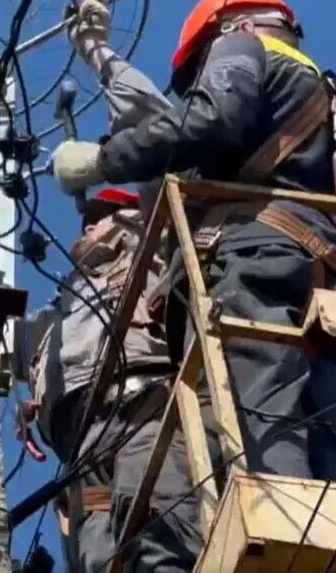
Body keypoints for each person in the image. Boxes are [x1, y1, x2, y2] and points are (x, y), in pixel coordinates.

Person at [50, 0, 336, 483]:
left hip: (259, 258)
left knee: (262, 429)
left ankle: (281, 539)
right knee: (328, 444)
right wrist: (100, 55)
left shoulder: (241, 45)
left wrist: (103, 160)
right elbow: (163, 118)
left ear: (233, 28)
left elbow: (203, 121)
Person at [16, 186, 200, 573]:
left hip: (144, 407)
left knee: (152, 519)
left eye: (101, 215)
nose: (86, 227)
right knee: (98, 555)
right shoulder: (60, 305)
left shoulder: (154, 250)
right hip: (80, 444)